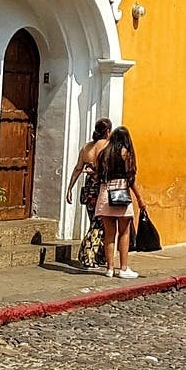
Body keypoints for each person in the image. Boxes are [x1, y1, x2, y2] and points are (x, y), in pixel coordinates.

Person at [94, 125, 146, 280]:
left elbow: (97, 176)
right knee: (124, 232)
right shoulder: (126, 154)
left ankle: (109, 268)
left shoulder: (103, 154)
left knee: (109, 234)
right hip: (121, 193)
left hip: (105, 193)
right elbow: (131, 179)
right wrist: (139, 198)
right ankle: (123, 268)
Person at [63, 117, 113, 271]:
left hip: (89, 188)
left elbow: (78, 168)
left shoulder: (86, 148)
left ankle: (98, 255)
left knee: (95, 220)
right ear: (108, 131)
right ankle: (87, 253)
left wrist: (70, 187)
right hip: (102, 188)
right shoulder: (108, 146)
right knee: (100, 223)